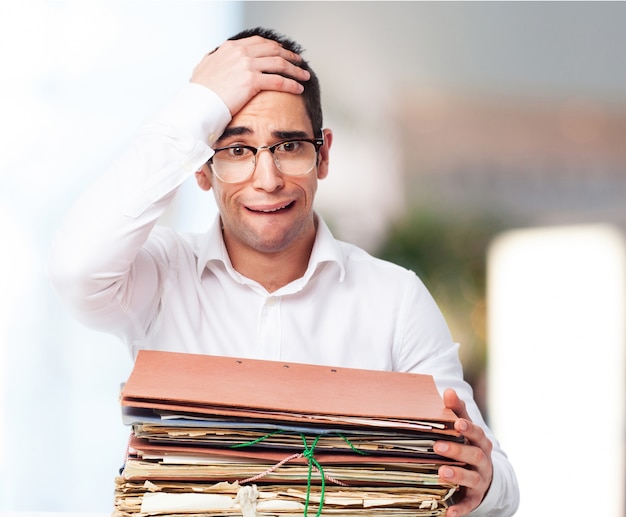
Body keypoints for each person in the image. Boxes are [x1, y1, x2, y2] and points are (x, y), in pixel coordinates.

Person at [48, 27, 519, 517]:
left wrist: (481, 483)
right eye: (235, 150)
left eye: (289, 145)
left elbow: (498, 481)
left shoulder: (395, 297)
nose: (267, 180)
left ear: (324, 154)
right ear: (201, 167)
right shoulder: (160, 276)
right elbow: (75, 268)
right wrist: (196, 106)